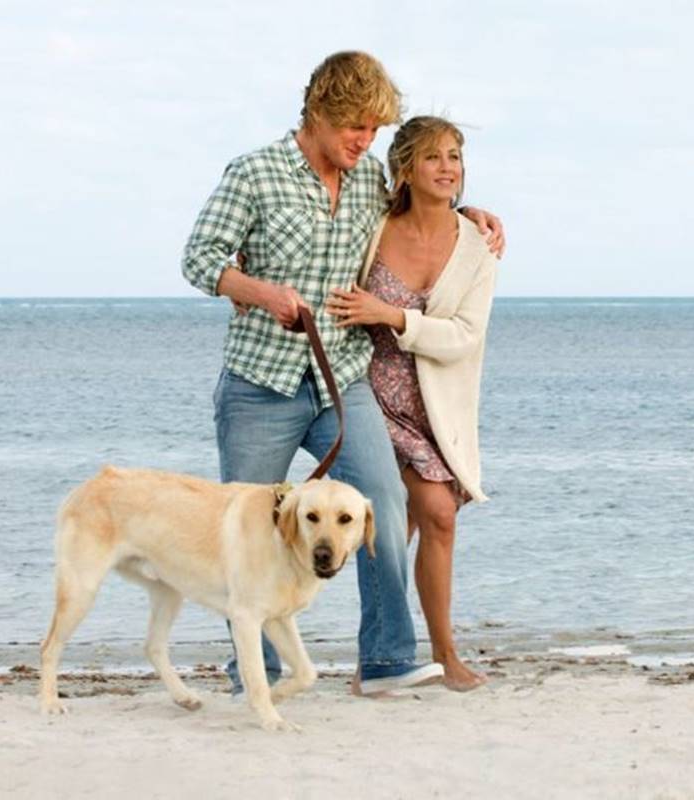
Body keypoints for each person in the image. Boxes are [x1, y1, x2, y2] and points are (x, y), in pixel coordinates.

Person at [181, 51, 504, 697]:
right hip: (259, 384)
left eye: (375, 130)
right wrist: (258, 290)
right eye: (354, 126)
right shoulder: (255, 173)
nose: (365, 141)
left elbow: (419, 207)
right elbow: (198, 259)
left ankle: (386, 659)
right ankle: (257, 672)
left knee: (380, 502)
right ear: (318, 114)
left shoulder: (364, 185)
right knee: (250, 528)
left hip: (341, 380)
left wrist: (472, 213)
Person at [326, 116, 497, 691]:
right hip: (364, 392)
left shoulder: (477, 247)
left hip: (432, 406)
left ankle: (420, 654)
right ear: (405, 168)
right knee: (422, 515)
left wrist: (394, 316)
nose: (448, 167)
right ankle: (397, 656)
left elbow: (466, 336)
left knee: (413, 525)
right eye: (433, 157)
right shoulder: (372, 222)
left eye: (455, 157)